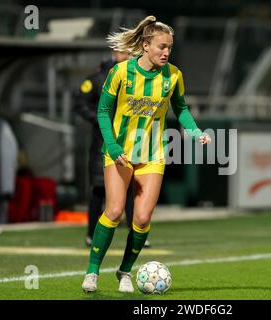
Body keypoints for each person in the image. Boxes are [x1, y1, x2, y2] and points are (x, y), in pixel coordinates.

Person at [81, 15, 211, 293]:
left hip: (152, 154)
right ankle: (92, 272)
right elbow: (103, 111)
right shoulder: (120, 72)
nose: (166, 52)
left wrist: (194, 131)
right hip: (119, 152)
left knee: (141, 219)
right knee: (114, 211)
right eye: (161, 47)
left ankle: (125, 272)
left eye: (170, 48)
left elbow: (182, 108)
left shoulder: (173, 75)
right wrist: (113, 146)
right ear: (145, 45)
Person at [74, 50, 133, 247]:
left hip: (130, 140)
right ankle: (91, 233)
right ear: (115, 52)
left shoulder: (135, 77)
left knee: (133, 188)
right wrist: (101, 121)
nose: (128, 55)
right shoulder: (98, 78)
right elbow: (81, 104)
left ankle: (136, 234)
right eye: (125, 52)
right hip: (103, 141)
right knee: (99, 189)